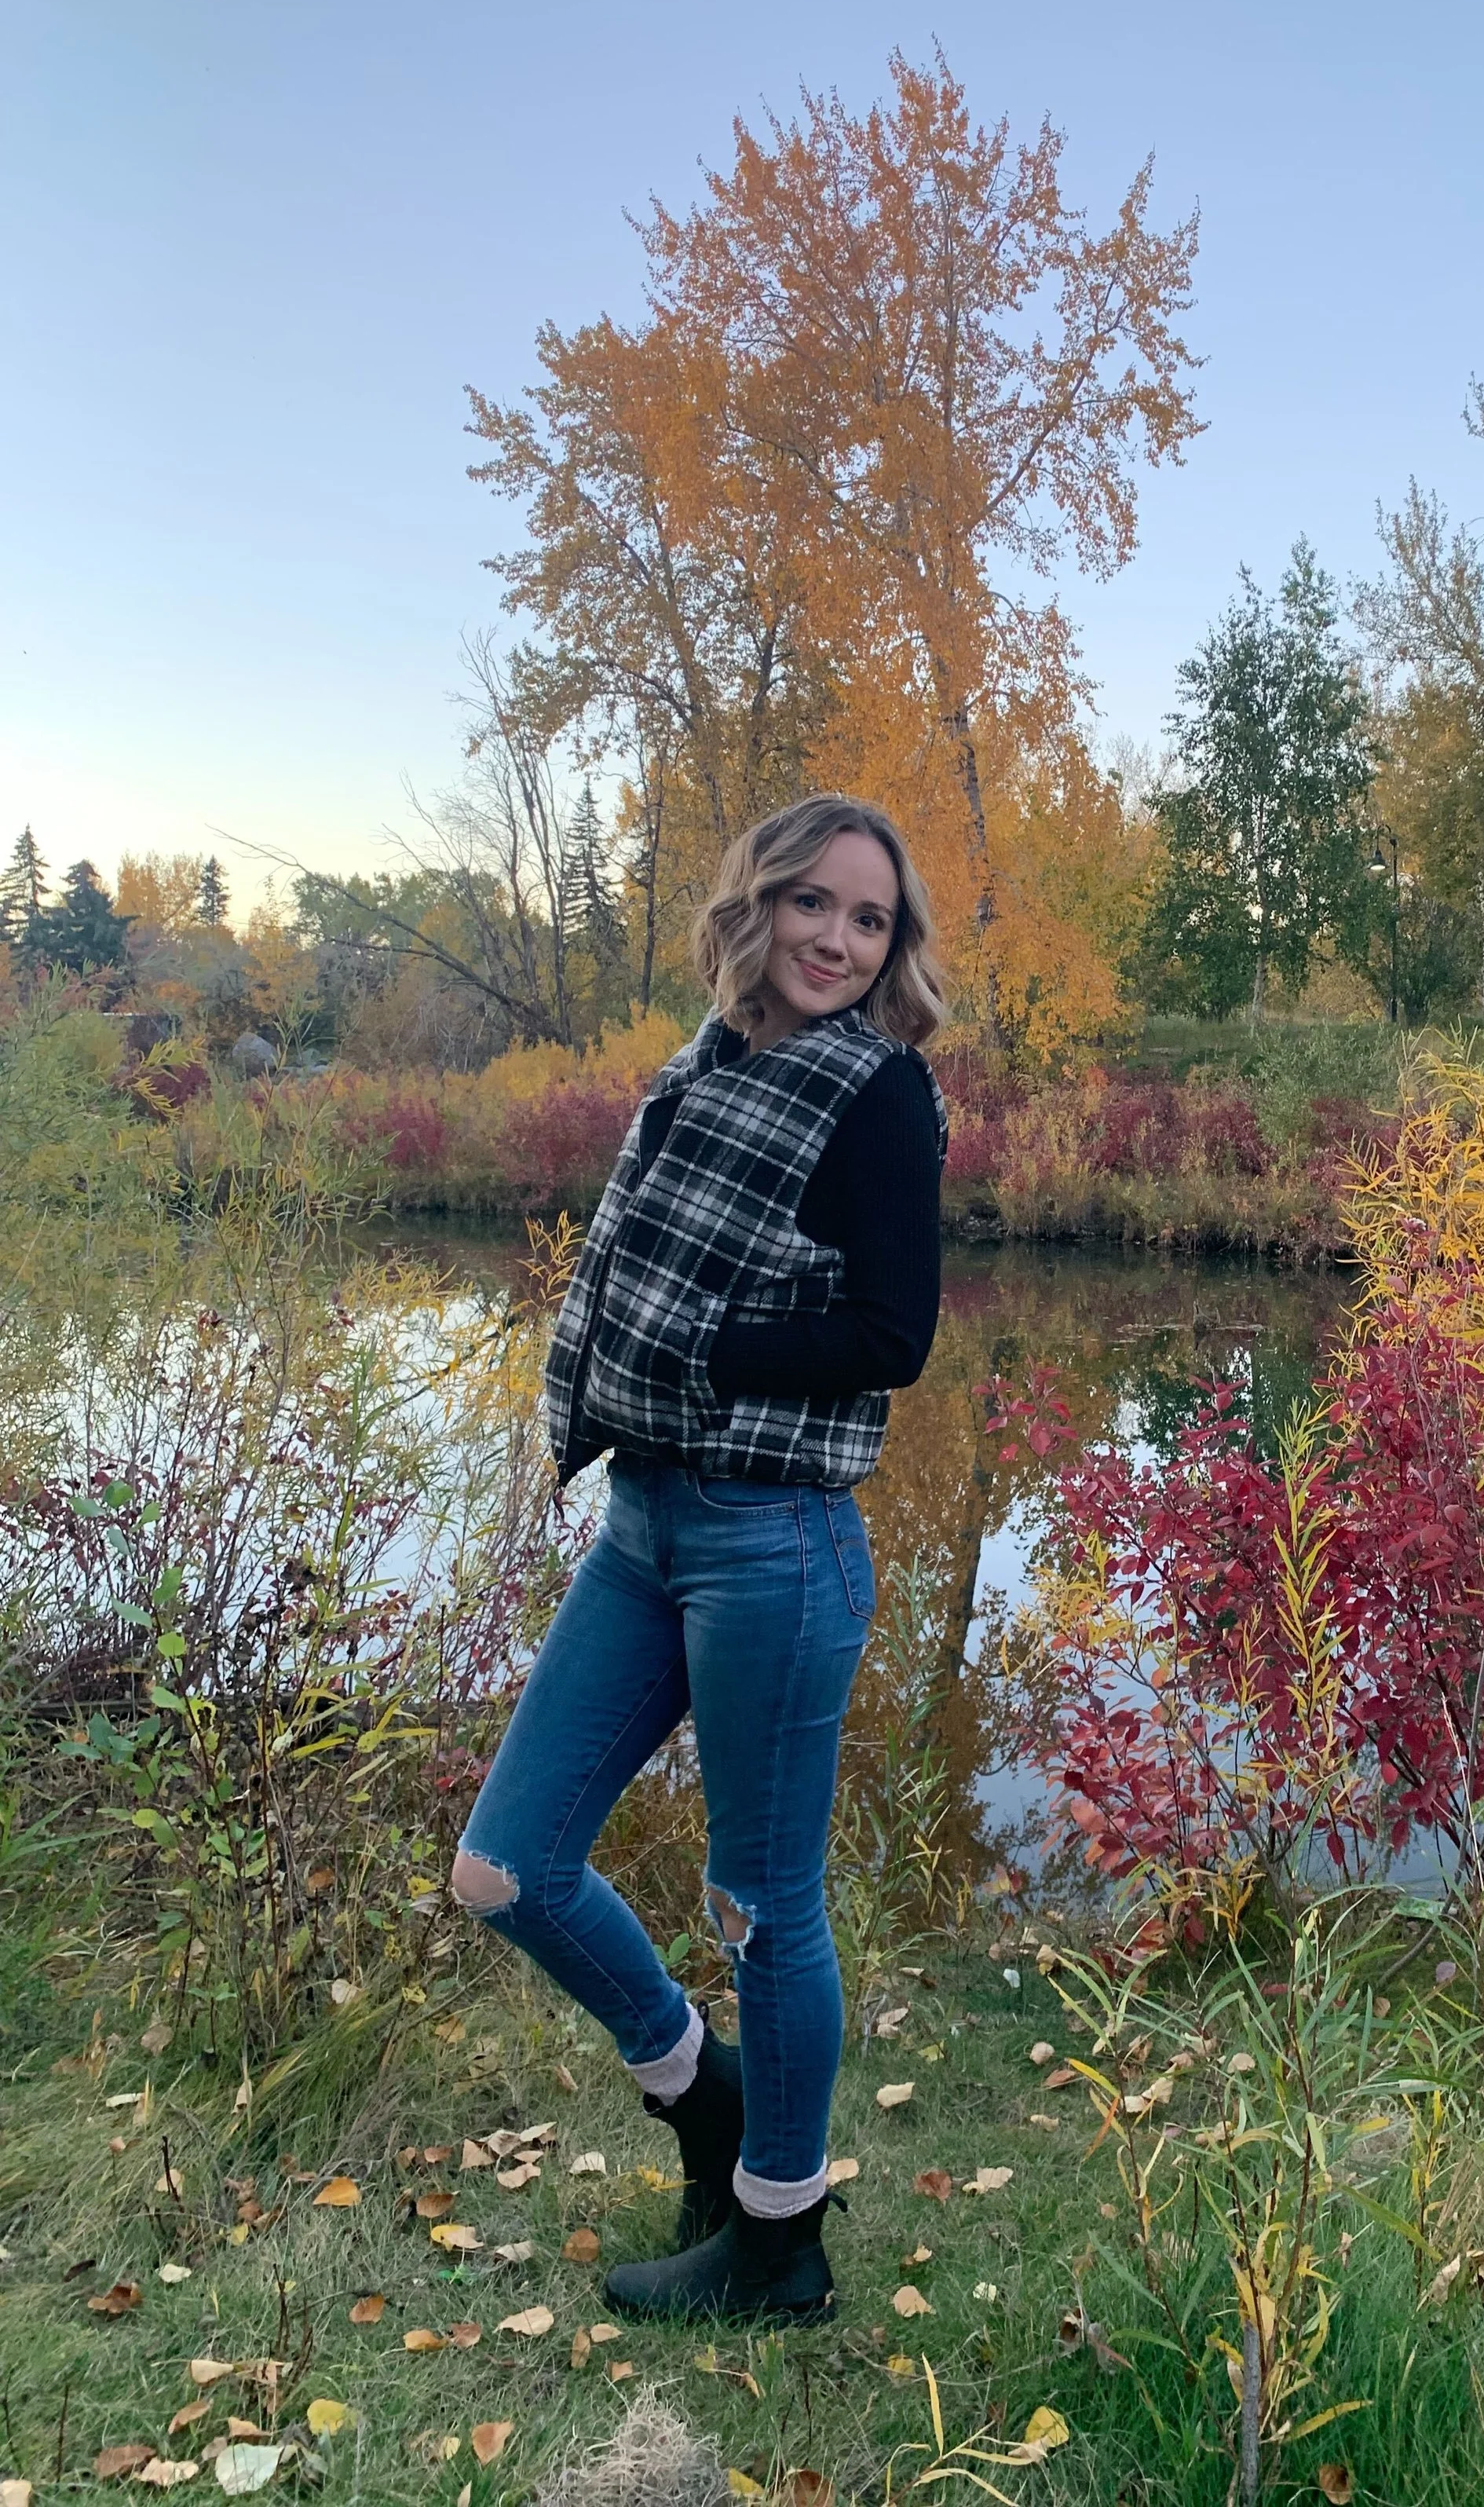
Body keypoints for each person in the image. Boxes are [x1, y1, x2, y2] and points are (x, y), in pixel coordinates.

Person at [450, 794, 946, 2325]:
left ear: (889, 945)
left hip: (773, 1543)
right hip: (645, 1519)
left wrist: (705, 1342)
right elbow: (633, 1259)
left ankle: (778, 2242)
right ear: (760, 903)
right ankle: (699, 2096)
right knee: (503, 1869)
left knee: (760, 1907)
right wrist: (635, 1368)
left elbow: (892, 1334)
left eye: (869, 920)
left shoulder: (877, 1094)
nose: (838, 940)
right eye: (816, 904)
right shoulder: (705, 1058)